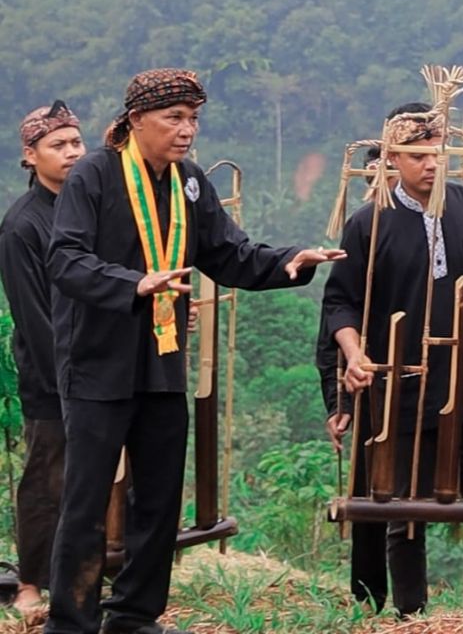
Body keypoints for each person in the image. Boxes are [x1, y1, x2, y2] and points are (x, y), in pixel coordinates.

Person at [45, 68, 344, 634]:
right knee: (86, 503)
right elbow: (65, 260)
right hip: (98, 361)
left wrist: (290, 261)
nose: (187, 131)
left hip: (161, 360)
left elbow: (228, 253)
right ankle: (70, 622)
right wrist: (133, 284)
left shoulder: (189, 182)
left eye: (194, 119)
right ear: (136, 121)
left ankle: (134, 615)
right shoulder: (94, 177)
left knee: (158, 499)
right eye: (174, 118)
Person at [324, 102, 463, 617]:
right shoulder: (369, 224)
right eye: (417, 155)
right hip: (403, 393)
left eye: (437, 153)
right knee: (402, 511)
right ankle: (409, 615)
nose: (430, 165)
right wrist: (353, 355)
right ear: (392, 158)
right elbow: (340, 302)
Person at [0, 102, 86, 615]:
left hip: (101, 367)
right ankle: (31, 581)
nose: (72, 153)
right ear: (31, 156)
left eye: (76, 142)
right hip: (50, 375)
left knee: (93, 477)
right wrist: (68, 380)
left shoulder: (89, 205)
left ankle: (83, 575)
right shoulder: (22, 227)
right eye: (59, 145)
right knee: (46, 477)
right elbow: (35, 319)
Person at [317, 144, 387, 612]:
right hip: (369, 383)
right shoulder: (362, 228)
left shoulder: (459, 216)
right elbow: (334, 318)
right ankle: (368, 599)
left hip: (445, 382)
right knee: (373, 490)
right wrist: (337, 403)